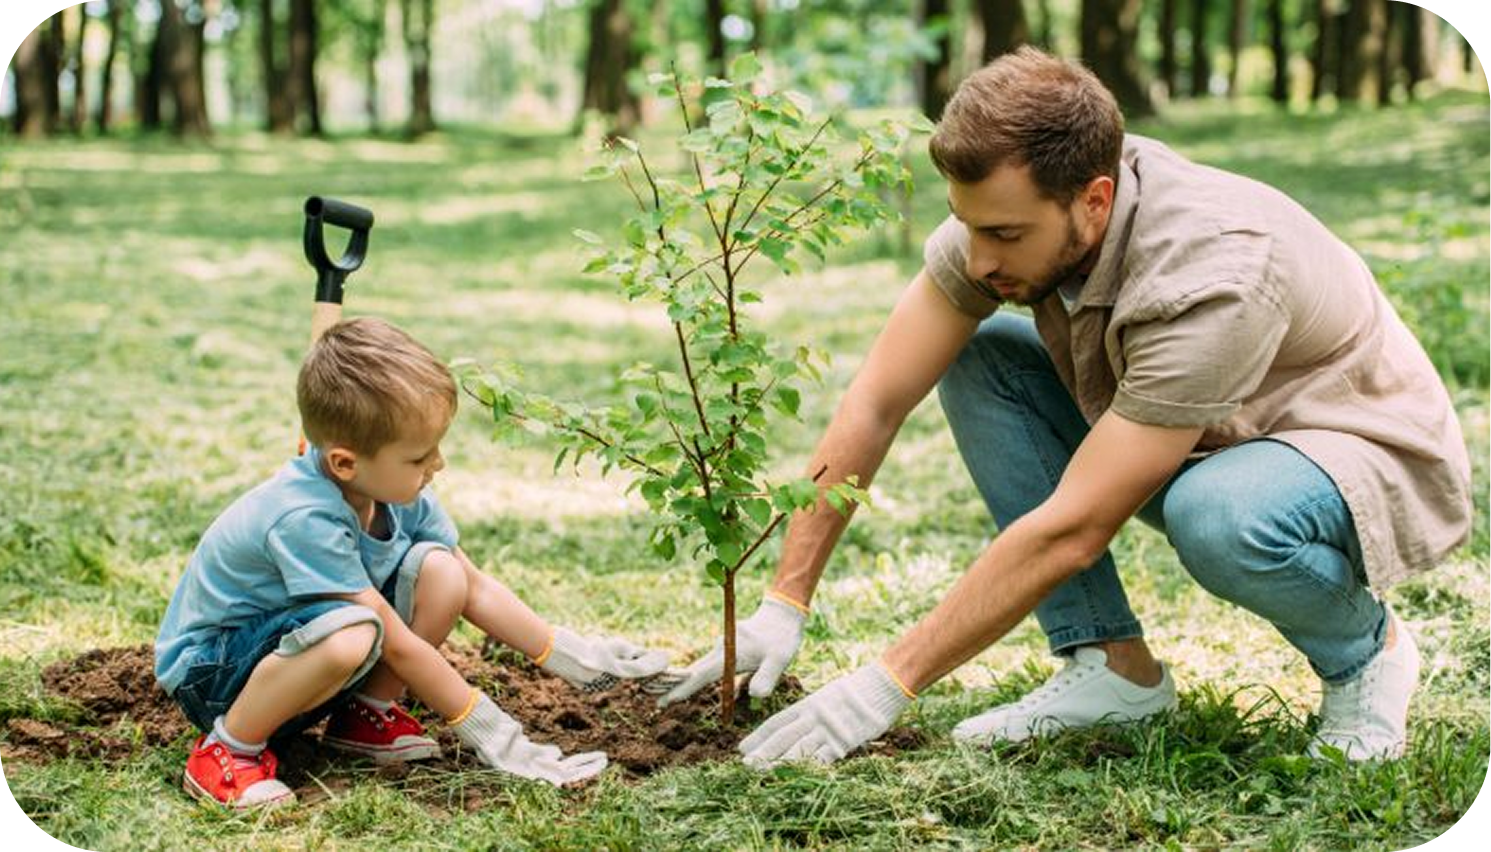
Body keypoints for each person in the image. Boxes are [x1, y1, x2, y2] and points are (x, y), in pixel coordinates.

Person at [661, 47, 1472, 767]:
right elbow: (876, 399)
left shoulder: (1213, 274)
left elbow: (1076, 527)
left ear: (1093, 198)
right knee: (982, 360)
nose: (979, 260)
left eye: (1005, 236)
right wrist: (783, 600)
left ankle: (1365, 655)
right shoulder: (1002, 220)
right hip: (1202, 427)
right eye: (965, 226)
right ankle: (1112, 671)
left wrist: (884, 683)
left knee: (1216, 514)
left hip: (1346, 447)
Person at [155, 317, 669, 809]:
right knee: (355, 630)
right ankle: (228, 751)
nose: (437, 465)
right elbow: (394, 643)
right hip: (216, 676)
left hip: (293, 657)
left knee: (441, 572)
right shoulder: (302, 517)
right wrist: (495, 733)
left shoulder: (393, 490)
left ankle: (363, 717)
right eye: (420, 457)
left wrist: (570, 656)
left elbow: (473, 586)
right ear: (344, 463)